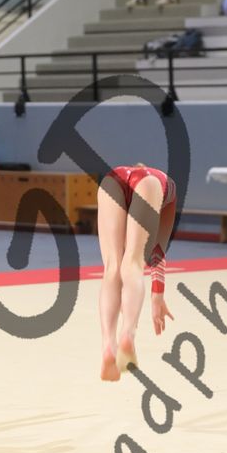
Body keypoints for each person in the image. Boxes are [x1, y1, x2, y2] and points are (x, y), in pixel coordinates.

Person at [97, 163, 176, 381]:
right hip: (149, 183)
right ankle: (128, 333)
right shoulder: (165, 186)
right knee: (132, 262)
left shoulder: (126, 175)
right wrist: (157, 295)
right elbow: (158, 250)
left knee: (112, 267)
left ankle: (108, 345)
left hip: (112, 178)